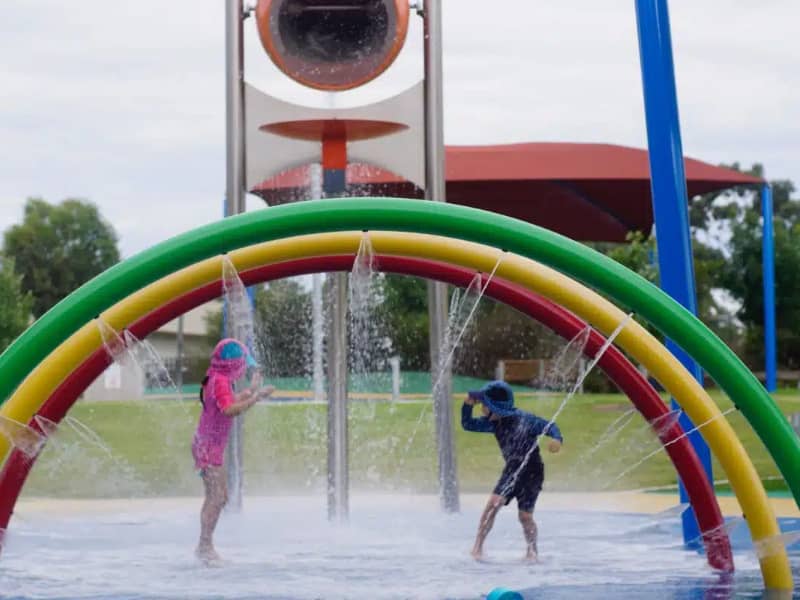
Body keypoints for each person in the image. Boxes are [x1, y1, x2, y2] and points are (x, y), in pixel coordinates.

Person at [192, 338, 274, 564]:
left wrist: (253, 391)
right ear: (233, 364)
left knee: (220, 497)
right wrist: (255, 399)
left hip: (207, 445)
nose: (243, 369)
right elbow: (229, 409)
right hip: (208, 447)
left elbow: (227, 401)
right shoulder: (220, 381)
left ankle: (205, 544)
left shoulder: (217, 378)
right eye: (242, 364)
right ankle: (204, 546)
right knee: (216, 497)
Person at [462, 380, 563, 562]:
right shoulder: (493, 423)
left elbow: (550, 426)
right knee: (493, 504)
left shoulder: (526, 420)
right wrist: (467, 405)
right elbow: (468, 424)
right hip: (512, 470)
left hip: (533, 473)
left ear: (496, 407)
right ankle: (477, 548)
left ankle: (532, 551)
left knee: (525, 516)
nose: (482, 408)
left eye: (484, 404)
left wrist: (557, 439)